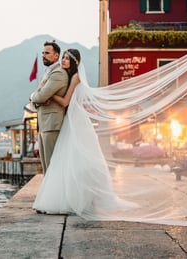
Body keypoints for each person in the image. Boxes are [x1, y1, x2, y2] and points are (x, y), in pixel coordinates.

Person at [33, 48, 139, 217]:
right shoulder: (67, 76)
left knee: (76, 158)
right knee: (70, 160)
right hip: (71, 118)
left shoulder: (75, 78)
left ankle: (80, 197)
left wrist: (51, 95)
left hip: (76, 120)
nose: (64, 61)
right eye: (64, 58)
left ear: (74, 62)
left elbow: (66, 101)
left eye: (67, 59)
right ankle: (72, 195)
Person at [30, 41, 69, 173]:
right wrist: (38, 98)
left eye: (47, 53)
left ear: (56, 55)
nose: (43, 55)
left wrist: (33, 97)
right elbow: (40, 97)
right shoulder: (48, 73)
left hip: (52, 124)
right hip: (45, 124)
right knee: (46, 167)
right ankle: (50, 192)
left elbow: (40, 96)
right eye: (42, 53)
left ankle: (55, 193)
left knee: (52, 166)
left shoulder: (58, 73)